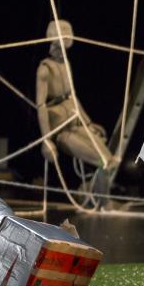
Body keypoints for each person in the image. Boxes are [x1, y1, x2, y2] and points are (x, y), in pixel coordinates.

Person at [35, 20, 114, 193]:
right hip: (62, 132)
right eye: (63, 31)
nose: (68, 35)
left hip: (76, 123)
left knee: (109, 159)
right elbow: (40, 105)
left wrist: (88, 122)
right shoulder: (45, 69)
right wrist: (46, 141)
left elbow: (72, 96)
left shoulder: (66, 64)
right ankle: (98, 202)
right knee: (102, 159)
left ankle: (98, 201)